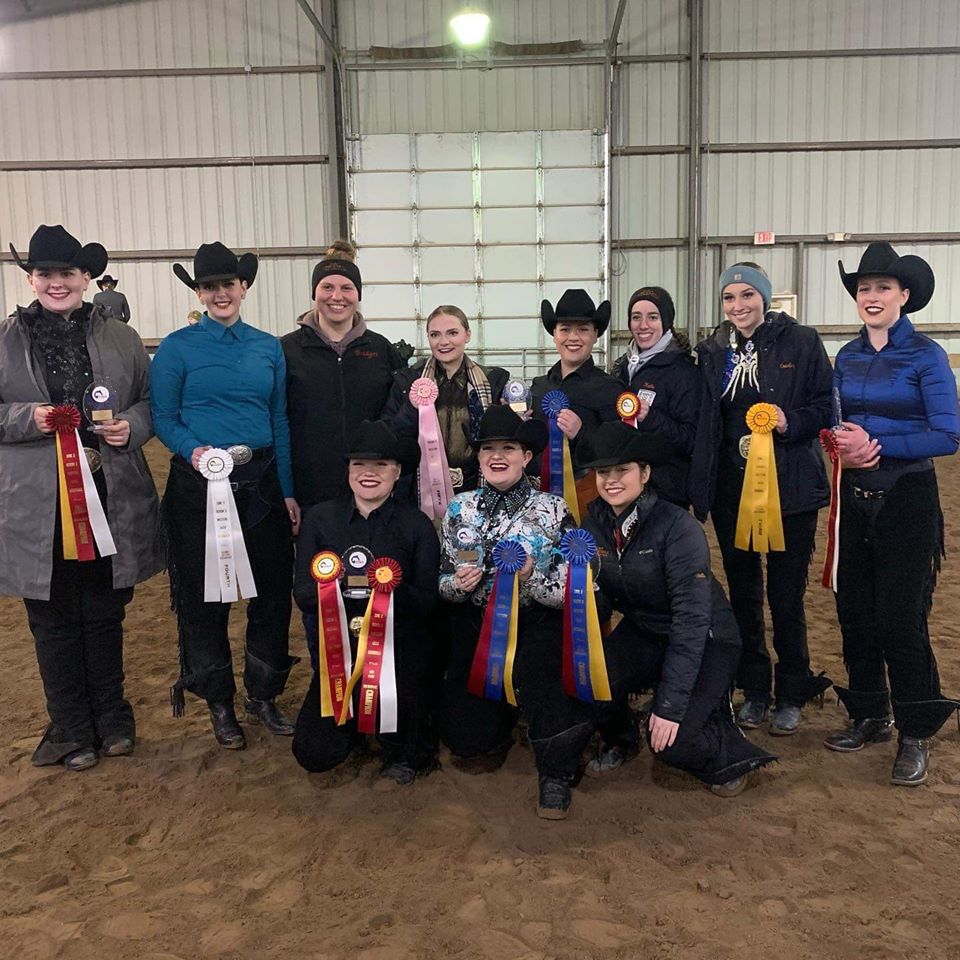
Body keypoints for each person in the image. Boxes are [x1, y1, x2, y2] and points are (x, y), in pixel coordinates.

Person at [1, 224, 161, 771]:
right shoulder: (5, 339)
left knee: (104, 608)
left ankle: (113, 720)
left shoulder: (121, 337)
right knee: (50, 614)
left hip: (107, 490)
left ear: (86, 277)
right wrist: (31, 418)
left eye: (67, 273)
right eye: (45, 273)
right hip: (36, 501)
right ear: (31, 278)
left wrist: (131, 428)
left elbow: (147, 401)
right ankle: (71, 726)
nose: (57, 282)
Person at [152, 242, 300, 749]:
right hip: (199, 485)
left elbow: (278, 418)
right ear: (199, 291)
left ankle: (263, 693)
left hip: (261, 481)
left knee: (271, 592)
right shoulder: (175, 348)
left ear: (244, 287)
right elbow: (163, 418)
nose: (220, 293)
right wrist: (197, 453)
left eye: (228, 284)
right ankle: (218, 699)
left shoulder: (267, 347)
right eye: (210, 286)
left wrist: (288, 491)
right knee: (202, 598)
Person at [579, 423, 776, 796]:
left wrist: (669, 705)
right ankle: (624, 738)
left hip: (706, 638)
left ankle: (721, 739)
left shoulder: (678, 527)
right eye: (604, 472)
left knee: (673, 742)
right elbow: (599, 596)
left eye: (623, 470)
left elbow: (692, 619)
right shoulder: (593, 526)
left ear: (645, 473)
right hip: (646, 631)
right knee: (591, 679)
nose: (612, 480)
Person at [825, 243, 959, 786]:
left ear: (904, 296)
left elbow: (947, 434)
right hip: (853, 499)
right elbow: (837, 424)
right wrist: (838, 445)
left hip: (907, 498)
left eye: (882, 288)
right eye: (864, 289)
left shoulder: (926, 356)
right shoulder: (846, 357)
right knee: (854, 612)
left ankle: (915, 730)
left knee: (901, 619)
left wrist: (875, 443)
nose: (872, 297)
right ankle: (869, 713)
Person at [690, 262, 833, 735]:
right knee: (744, 595)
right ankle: (754, 688)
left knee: (787, 597)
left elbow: (823, 407)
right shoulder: (711, 351)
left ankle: (791, 690)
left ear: (765, 299)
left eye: (747, 295)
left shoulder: (802, 342)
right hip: (732, 493)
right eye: (729, 297)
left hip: (789, 490)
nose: (738, 306)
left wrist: (787, 421)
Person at [438, 405, 591, 820]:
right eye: (488, 448)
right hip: (478, 627)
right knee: (467, 741)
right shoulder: (460, 510)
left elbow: (572, 592)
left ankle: (555, 774)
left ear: (527, 456)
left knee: (549, 690)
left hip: (537, 622)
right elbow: (443, 581)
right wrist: (457, 585)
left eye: (509, 447)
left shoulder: (554, 511)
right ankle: (502, 719)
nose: (497, 456)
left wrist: (531, 579)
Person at [291, 421, 440, 783]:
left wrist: (388, 594)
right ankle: (353, 725)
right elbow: (305, 595)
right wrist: (344, 593)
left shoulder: (416, 525)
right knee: (314, 752)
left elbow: (429, 603)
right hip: (339, 656)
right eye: (359, 464)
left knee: (412, 749)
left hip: (398, 653)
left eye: (381, 465)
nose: (368, 474)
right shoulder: (320, 520)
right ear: (348, 470)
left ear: (398, 471)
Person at [282, 240, 406, 511]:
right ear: (314, 293)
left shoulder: (381, 349)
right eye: (327, 287)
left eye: (346, 288)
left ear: (358, 294)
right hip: (309, 491)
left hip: (371, 489)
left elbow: (396, 417)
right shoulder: (286, 350)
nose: (336, 296)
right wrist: (286, 490)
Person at [382, 304, 508, 498]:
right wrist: (410, 408)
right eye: (435, 335)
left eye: (452, 333)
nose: (443, 342)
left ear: (467, 335)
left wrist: (514, 418)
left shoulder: (494, 381)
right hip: (419, 491)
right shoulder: (406, 381)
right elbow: (389, 434)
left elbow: (503, 440)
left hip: (476, 485)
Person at [531, 289, 622, 514]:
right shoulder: (538, 386)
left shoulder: (610, 388)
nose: (573, 337)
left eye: (582, 330)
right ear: (554, 334)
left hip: (590, 495)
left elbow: (619, 450)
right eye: (565, 329)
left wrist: (582, 433)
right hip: (539, 496)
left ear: (595, 335)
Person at [611, 285, 699, 508]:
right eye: (636, 317)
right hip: (625, 489)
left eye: (653, 317)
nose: (643, 325)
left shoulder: (684, 372)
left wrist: (651, 418)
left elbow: (690, 439)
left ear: (666, 321)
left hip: (666, 493)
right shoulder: (621, 367)